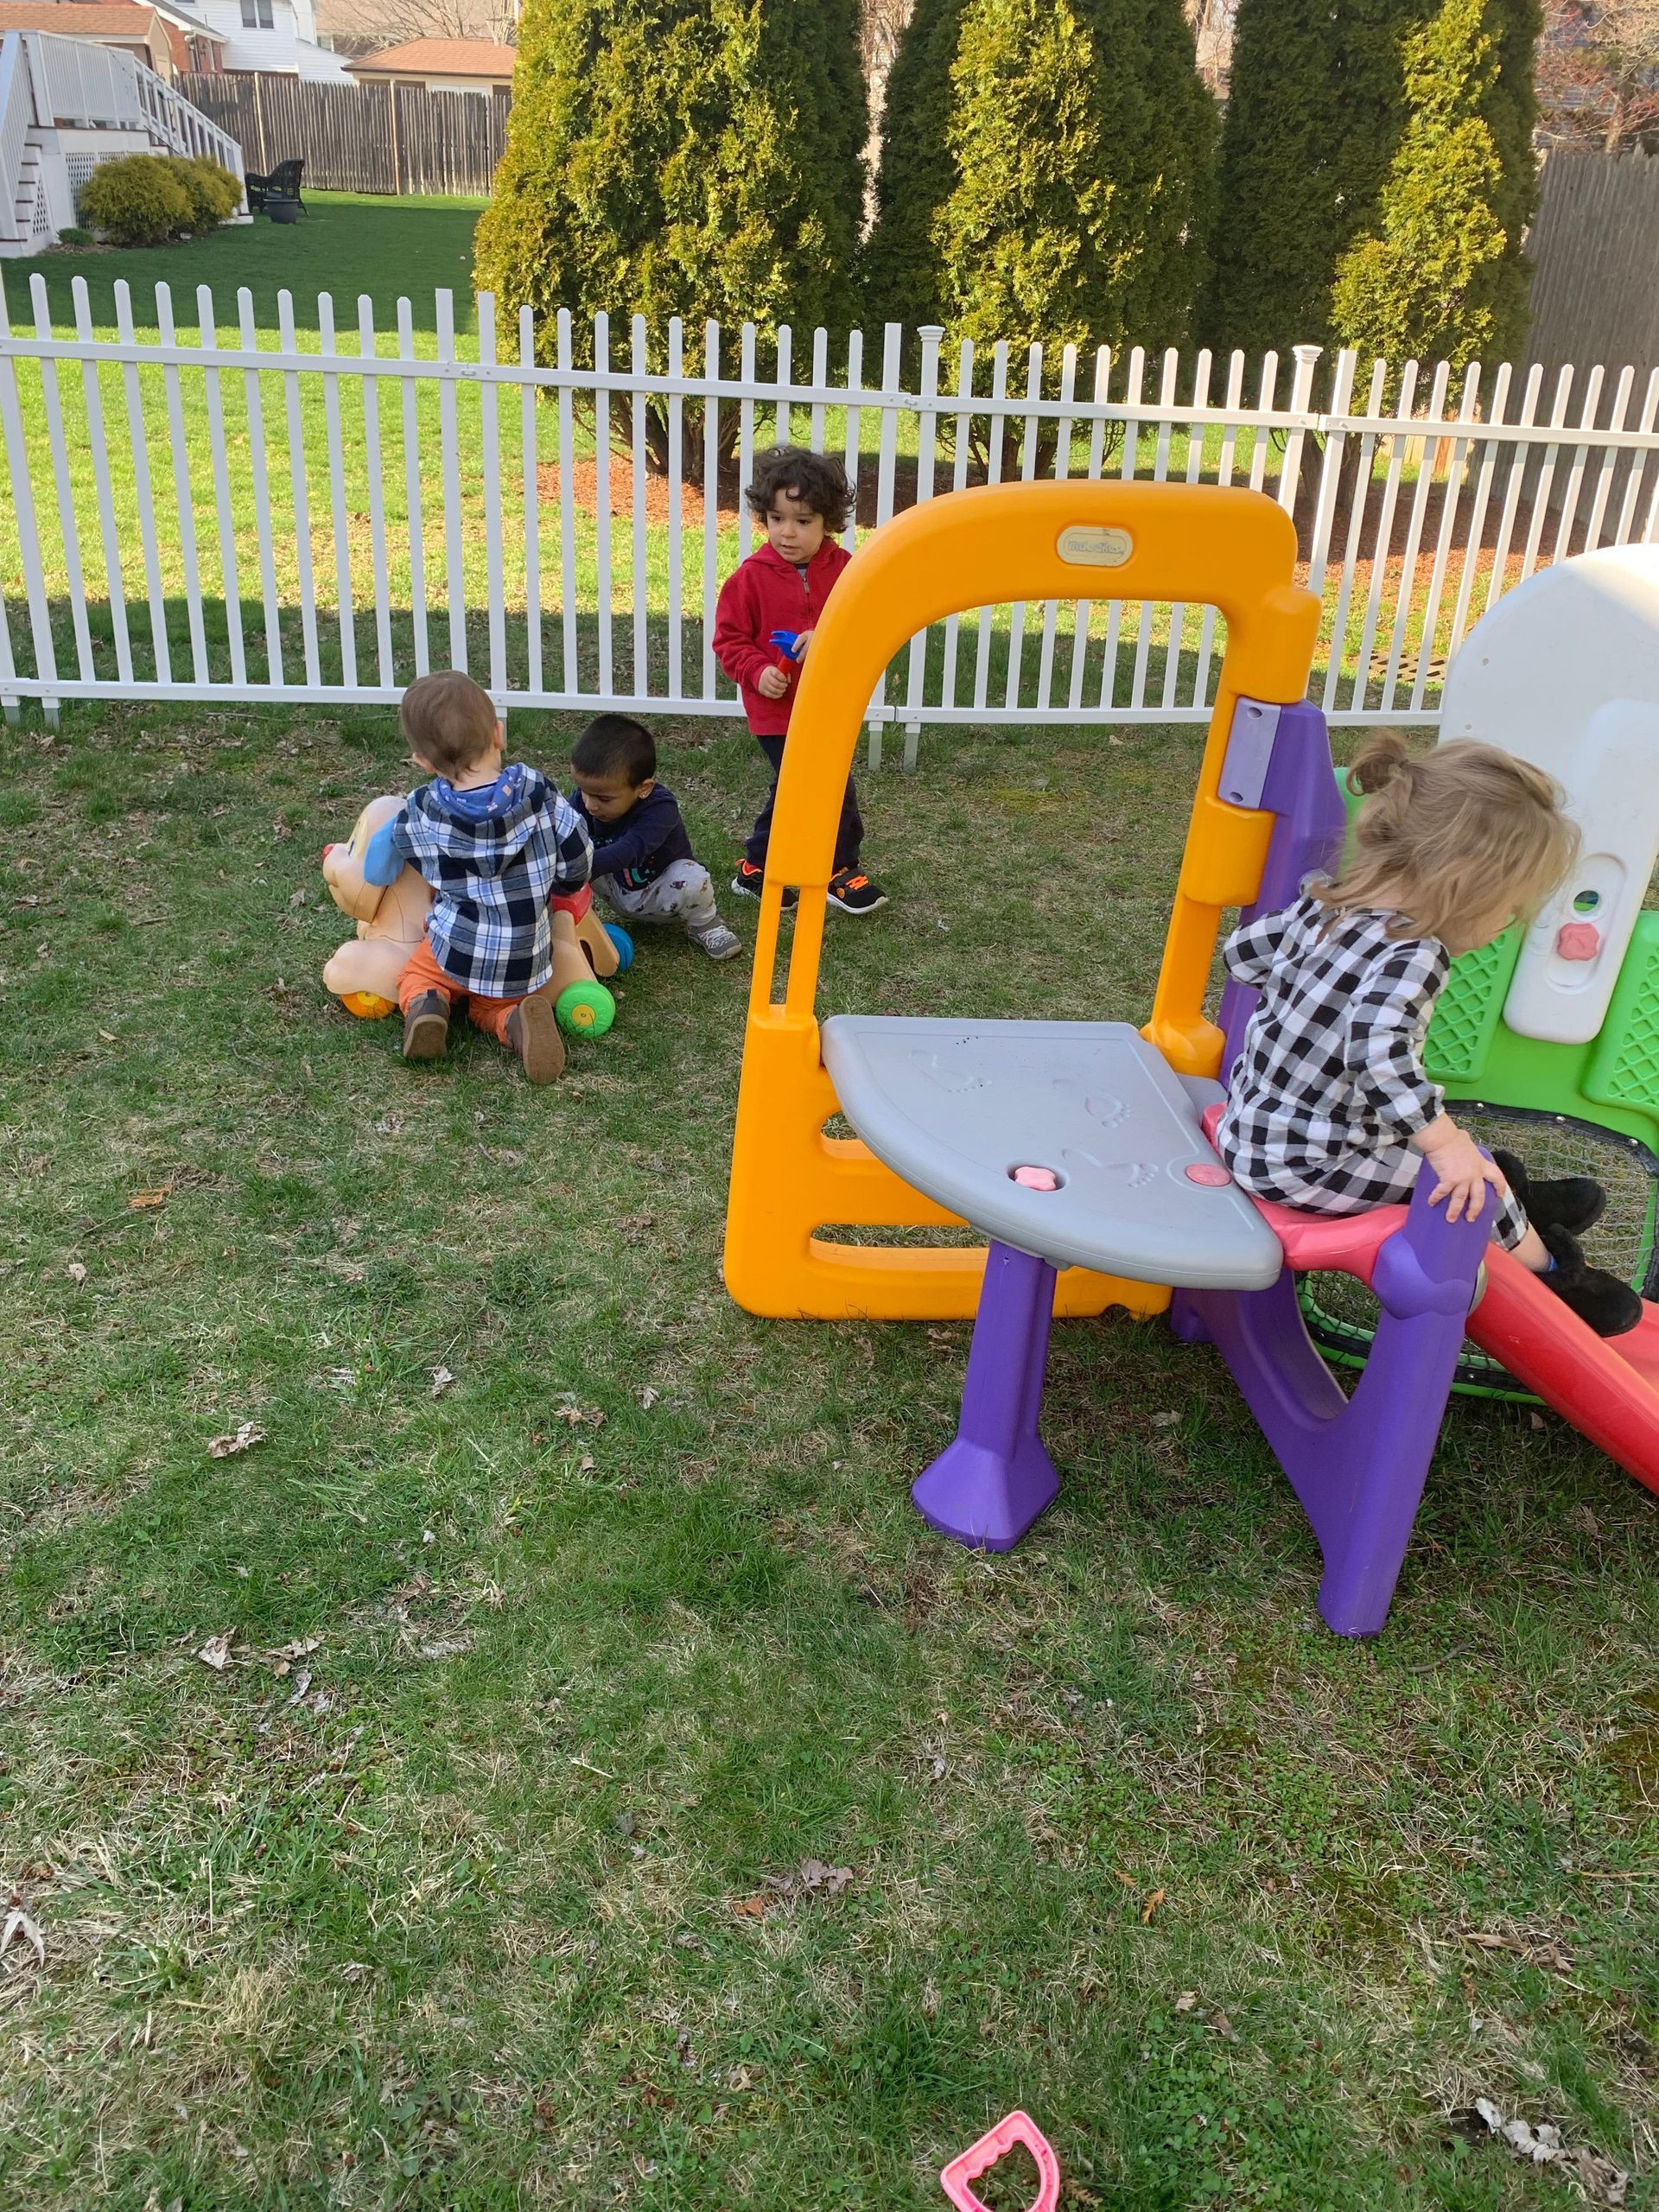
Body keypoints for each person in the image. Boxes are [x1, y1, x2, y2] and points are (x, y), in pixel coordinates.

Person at [1215, 733, 1641, 1337]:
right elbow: (1379, 1055)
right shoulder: (1415, 952)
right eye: (1509, 911)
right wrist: (1443, 1146)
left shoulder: (1326, 902)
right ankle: (1556, 1279)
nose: (1504, 927)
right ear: (1466, 889)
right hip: (1306, 1163)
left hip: (1255, 1129)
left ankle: (1522, 1202)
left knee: (1464, 1160)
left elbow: (1241, 958)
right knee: (1467, 1184)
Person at [363, 670, 594, 1085]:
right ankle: (515, 1023)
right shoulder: (540, 794)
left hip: (455, 945)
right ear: (498, 734)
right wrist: (567, 884)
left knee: (418, 975)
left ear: (423, 762)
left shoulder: (425, 808)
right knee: (492, 1008)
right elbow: (577, 850)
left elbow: (393, 858)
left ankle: (429, 1005)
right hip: (523, 953)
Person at [712, 443, 886, 916]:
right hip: (776, 711)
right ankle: (838, 868)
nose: (787, 533)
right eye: (775, 519)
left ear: (829, 520)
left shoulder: (849, 573)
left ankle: (758, 867)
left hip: (830, 705)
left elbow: (867, 628)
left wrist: (826, 636)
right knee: (813, 785)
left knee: (808, 785)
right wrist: (757, 670)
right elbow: (729, 641)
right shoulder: (749, 579)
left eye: (803, 521)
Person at [569, 713, 741, 961]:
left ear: (643, 789)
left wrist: (578, 866)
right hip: (615, 889)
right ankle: (585, 924)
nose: (590, 805)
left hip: (660, 892)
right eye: (583, 792)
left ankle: (705, 924)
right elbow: (565, 833)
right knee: (568, 856)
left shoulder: (661, 808)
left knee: (692, 877)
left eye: (603, 798)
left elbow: (631, 849)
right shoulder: (584, 804)